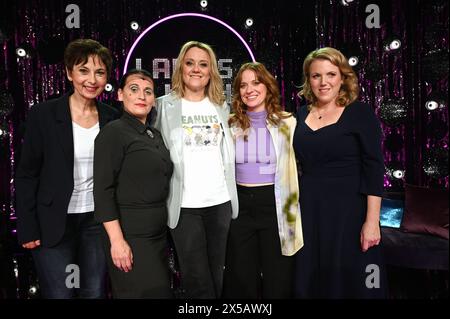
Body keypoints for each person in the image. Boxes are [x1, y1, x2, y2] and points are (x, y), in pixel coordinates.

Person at [15, 39, 117, 298]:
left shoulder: (112, 118)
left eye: (99, 72)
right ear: (69, 72)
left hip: (95, 221)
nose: (91, 79)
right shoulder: (44, 115)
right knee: (61, 293)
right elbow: (27, 174)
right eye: (83, 70)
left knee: (92, 292)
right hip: (52, 221)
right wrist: (27, 226)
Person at [293, 47, 386, 298]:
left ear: (343, 78)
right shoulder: (299, 115)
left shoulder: (360, 113)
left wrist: (372, 222)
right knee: (311, 280)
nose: (324, 82)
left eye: (331, 74)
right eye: (316, 76)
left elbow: (374, 168)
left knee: (352, 282)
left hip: (349, 212)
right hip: (310, 211)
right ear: (308, 80)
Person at [154, 41, 238, 298]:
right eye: (190, 63)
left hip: (220, 202)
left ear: (211, 71)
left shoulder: (222, 107)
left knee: (216, 274)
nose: (196, 69)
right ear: (180, 67)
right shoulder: (162, 106)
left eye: (203, 64)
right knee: (196, 278)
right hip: (184, 205)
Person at [223, 62, 303, 299]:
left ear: (267, 86)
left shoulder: (288, 122)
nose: (250, 89)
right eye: (243, 85)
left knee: (277, 278)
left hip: (275, 204)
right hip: (240, 207)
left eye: (256, 82)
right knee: (241, 277)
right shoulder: (229, 124)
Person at [93, 69, 173, 298]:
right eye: (134, 89)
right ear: (120, 94)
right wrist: (117, 241)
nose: (142, 96)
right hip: (131, 236)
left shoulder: (153, 134)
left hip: (157, 235)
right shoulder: (113, 133)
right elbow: (102, 190)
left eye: (148, 92)